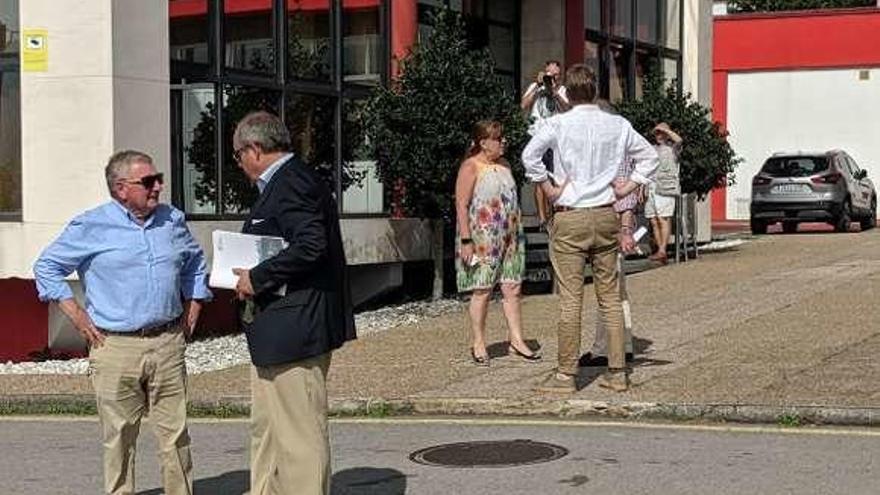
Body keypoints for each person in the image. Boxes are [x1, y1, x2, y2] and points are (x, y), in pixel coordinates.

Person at [33, 150, 211, 495]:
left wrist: (194, 308)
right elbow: (47, 267)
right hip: (114, 346)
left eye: (158, 178)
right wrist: (77, 315)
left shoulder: (172, 220)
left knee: (176, 436)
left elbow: (194, 264)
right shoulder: (91, 225)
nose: (158, 186)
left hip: (167, 342)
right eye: (148, 181)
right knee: (119, 438)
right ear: (120, 188)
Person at [230, 111, 356, 495]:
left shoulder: (292, 182)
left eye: (237, 156)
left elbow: (311, 245)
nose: (238, 165)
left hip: (296, 329)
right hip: (279, 332)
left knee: (299, 437)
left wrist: (257, 277)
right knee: (268, 432)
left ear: (253, 149)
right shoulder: (288, 181)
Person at [522, 64, 657, 394]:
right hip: (605, 212)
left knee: (571, 298)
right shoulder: (617, 124)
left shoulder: (558, 123)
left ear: (567, 92)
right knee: (609, 297)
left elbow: (530, 156)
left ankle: (566, 375)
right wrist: (627, 188)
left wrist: (550, 188)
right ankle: (617, 372)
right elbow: (649, 157)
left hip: (571, 213)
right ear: (595, 90)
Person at [455, 120, 539, 366]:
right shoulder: (471, 167)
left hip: (511, 233)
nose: (503, 143)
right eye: (498, 139)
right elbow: (461, 204)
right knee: (482, 288)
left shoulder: (504, 165)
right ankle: (479, 341)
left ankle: (516, 338)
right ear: (484, 142)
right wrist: (465, 239)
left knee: (512, 287)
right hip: (483, 235)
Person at [579, 159, 640, 367]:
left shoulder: (613, 145)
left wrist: (624, 229)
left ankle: (605, 348)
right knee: (617, 289)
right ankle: (624, 344)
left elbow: (624, 195)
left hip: (608, 223)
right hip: (609, 221)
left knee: (608, 289)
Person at [521, 60, 570, 231]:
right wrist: (537, 86)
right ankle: (542, 218)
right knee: (539, 179)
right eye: (549, 74)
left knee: (556, 178)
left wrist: (554, 92)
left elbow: (568, 109)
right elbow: (523, 105)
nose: (552, 78)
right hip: (536, 136)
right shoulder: (535, 87)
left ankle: (554, 217)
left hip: (556, 140)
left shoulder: (562, 90)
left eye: (556, 75)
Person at [645, 122, 683, 265]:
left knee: (663, 218)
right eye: (657, 133)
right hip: (651, 186)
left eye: (661, 133)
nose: (658, 136)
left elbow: (679, 140)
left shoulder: (673, 149)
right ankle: (660, 252)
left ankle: (662, 250)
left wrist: (666, 131)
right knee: (653, 220)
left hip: (665, 187)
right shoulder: (652, 149)